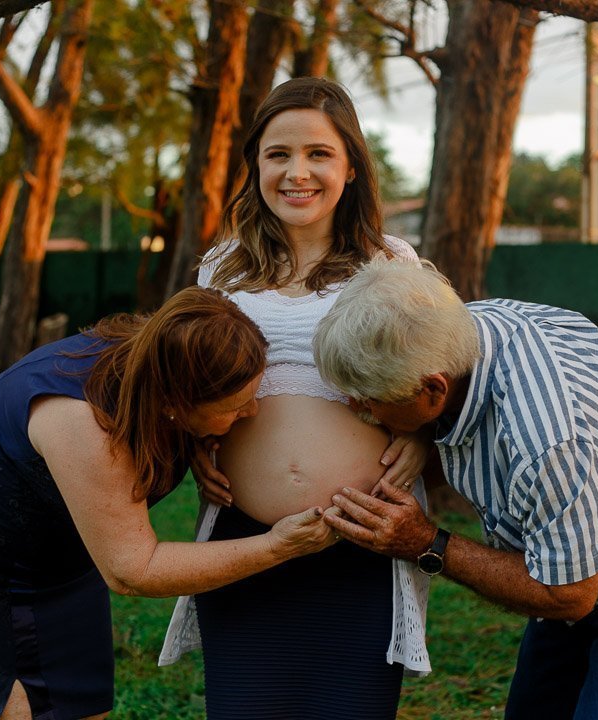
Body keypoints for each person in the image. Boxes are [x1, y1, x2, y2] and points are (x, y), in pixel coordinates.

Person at [313, 260, 598, 720]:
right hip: (576, 540)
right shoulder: (458, 327)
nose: (358, 408)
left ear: (432, 388)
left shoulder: (548, 439)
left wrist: (426, 543)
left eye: (368, 398)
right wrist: (422, 430)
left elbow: (569, 595)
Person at [0, 287, 335, 720]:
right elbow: (133, 569)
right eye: (235, 406)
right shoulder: (84, 420)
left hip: (56, 539)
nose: (250, 413)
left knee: (80, 702)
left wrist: (199, 439)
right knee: (10, 708)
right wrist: (277, 547)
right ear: (178, 402)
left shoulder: (159, 368)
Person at [158, 77, 431, 719]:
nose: (296, 172)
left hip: (361, 543)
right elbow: (190, 382)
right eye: (278, 154)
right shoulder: (220, 269)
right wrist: (198, 440)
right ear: (255, 164)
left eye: (318, 154)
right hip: (244, 546)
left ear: (352, 166)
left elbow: (441, 382)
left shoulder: (391, 262)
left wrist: (420, 436)